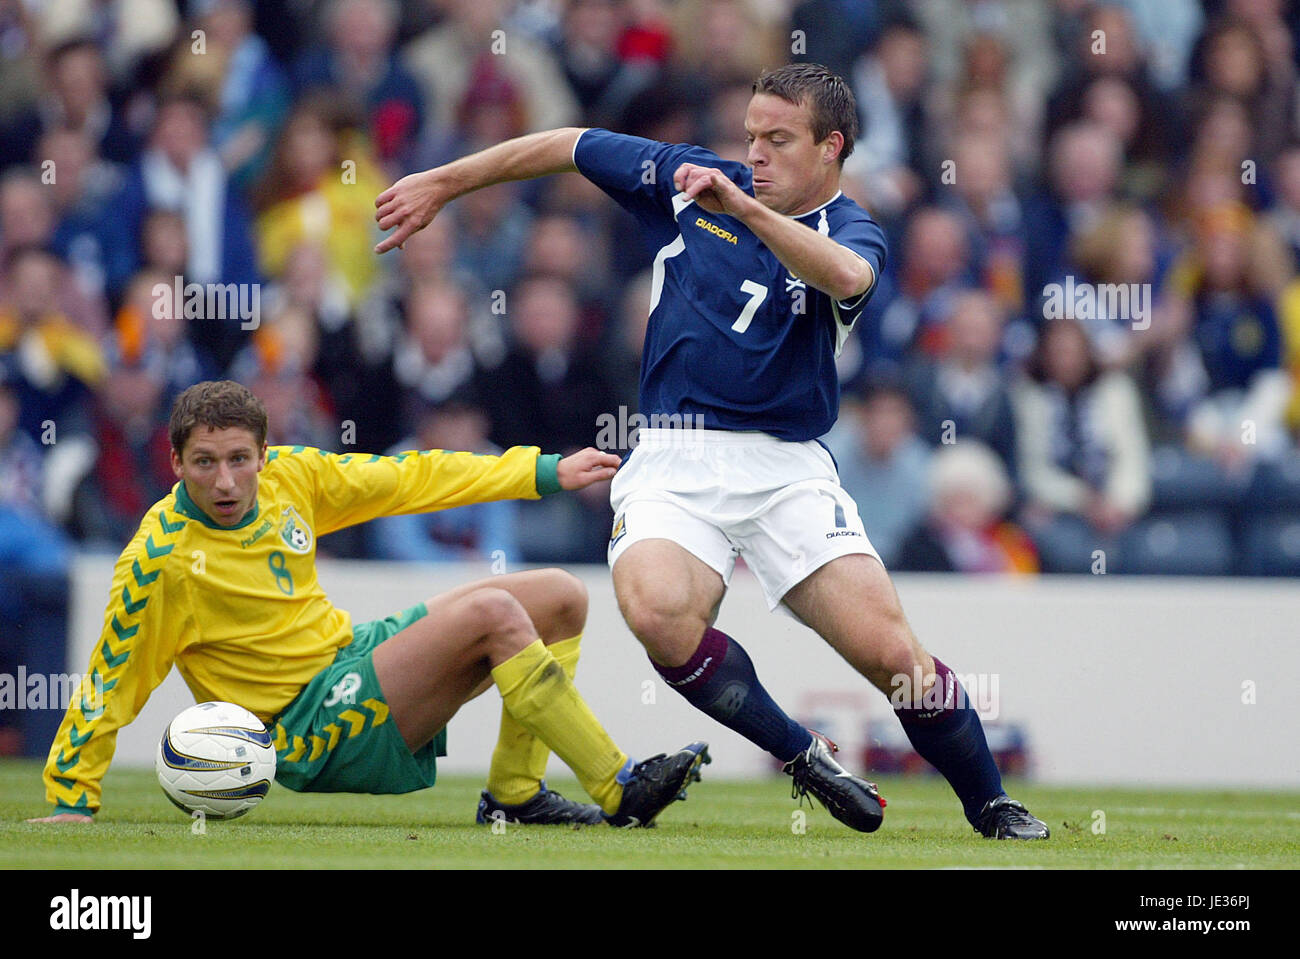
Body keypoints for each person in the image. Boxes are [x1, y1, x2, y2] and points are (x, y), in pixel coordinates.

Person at [374, 62, 1048, 838]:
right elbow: (570, 143)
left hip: (785, 466)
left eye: (778, 140)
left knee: (894, 657)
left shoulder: (851, 229)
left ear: (831, 148)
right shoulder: (691, 183)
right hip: (673, 456)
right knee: (658, 614)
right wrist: (441, 182)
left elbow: (845, 275)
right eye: (752, 135)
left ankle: (992, 803)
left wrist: (743, 210)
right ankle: (804, 757)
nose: (755, 153)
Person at [29, 380, 708, 827]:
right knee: (496, 613)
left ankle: (515, 795)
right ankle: (619, 786)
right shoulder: (160, 559)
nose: (227, 480)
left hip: (352, 655)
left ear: (264, 454)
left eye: (240, 458)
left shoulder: (292, 477)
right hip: (304, 728)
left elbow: (410, 476)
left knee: (558, 595)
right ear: (175, 463)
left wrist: (541, 471)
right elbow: (111, 679)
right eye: (205, 462)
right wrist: (70, 798)